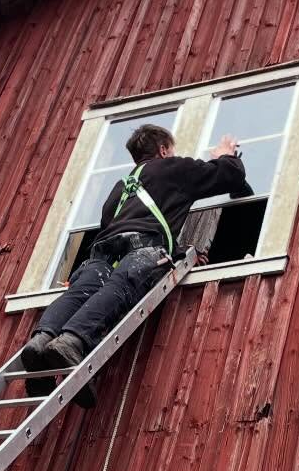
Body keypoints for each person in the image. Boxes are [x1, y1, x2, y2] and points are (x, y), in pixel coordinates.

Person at [20, 122, 250, 404]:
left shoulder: (120, 188)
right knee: (121, 286)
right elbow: (230, 175)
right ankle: (72, 341)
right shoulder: (173, 169)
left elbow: (117, 225)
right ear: (163, 150)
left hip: (102, 253)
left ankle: (41, 340)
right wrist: (224, 154)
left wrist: (177, 251)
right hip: (141, 250)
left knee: (80, 291)